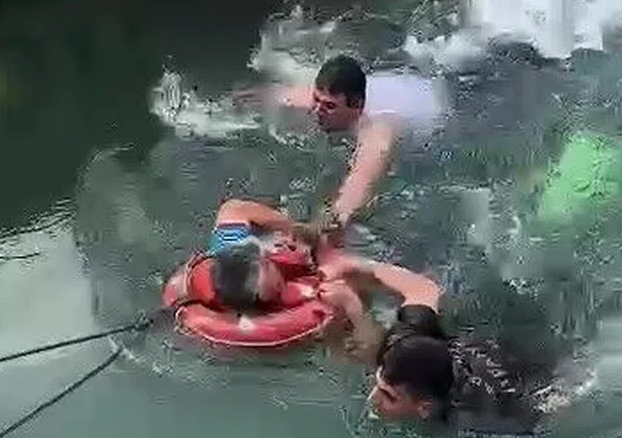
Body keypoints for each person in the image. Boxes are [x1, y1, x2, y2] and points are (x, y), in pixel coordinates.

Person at [166, 196, 440, 362]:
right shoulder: (298, 312)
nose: (273, 263)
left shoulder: (229, 252)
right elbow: (364, 352)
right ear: (264, 301)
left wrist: (296, 227)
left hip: (314, 254)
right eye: (273, 283)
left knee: (333, 222)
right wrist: (352, 305)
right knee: (350, 263)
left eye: (266, 262)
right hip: (339, 281)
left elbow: (234, 208)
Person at [240, 55, 448, 234]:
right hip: (396, 82)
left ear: (357, 106)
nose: (317, 111)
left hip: (431, 109)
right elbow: (278, 96)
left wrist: (332, 220)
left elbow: (362, 180)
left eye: (329, 107)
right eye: (316, 100)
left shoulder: (378, 128)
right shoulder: (327, 100)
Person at [367, 305, 543, 438]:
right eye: (378, 381)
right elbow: (422, 288)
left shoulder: (475, 423)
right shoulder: (403, 341)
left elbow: (540, 427)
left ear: (424, 409)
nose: (372, 397)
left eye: (389, 396)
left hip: (534, 361)